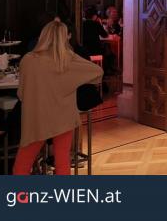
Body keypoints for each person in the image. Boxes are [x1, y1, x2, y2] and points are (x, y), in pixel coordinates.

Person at [13, 20, 103, 175]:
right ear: (64, 38)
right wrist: (70, 57)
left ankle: (20, 192)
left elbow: (21, 94)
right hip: (63, 116)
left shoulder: (28, 59)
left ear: (43, 36)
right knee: (62, 162)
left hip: (37, 117)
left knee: (22, 165)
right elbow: (97, 72)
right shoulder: (66, 60)